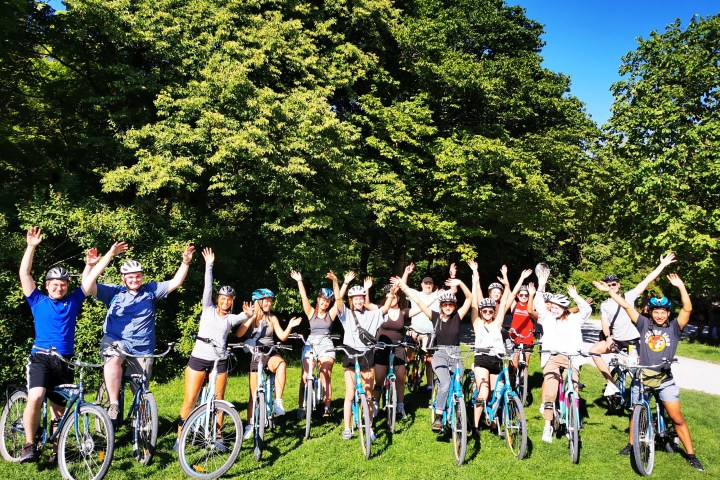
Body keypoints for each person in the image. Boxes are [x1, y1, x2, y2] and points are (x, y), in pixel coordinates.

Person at [18, 227, 127, 462]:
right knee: (36, 396)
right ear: (47, 285)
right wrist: (31, 247)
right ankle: (29, 444)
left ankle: (56, 449)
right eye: (54, 284)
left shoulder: (73, 302)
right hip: (40, 358)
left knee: (61, 411)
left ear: (67, 286)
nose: (59, 287)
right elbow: (24, 274)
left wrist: (109, 254)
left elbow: (92, 277)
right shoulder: (37, 300)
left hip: (65, 360)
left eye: (63, 284)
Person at [593, 273, 704, 472]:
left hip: (664, 379)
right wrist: (609, 291)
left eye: (663, 311)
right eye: (656, 311)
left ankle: (691, 455)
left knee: (677, 418)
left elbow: (688, 308)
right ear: (650, 313)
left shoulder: (674, 328)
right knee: (636, 411)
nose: (660, 315)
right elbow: (627, 305)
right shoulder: (643, 325)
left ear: (668, 313)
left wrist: (681, 287)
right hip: (642, 377)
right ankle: (632, 444)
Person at [91, 243, 195, 424]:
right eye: (130, 277)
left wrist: (185, 263)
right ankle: (114, 404)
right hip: (117, 340)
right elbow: (88, 285)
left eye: (138, 276)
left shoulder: (150, 291)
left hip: (143, 346)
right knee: (113, 358)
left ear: (142, 277)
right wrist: (93, 264)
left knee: (140, 388)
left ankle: (144, 426)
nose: (134, 280)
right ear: (123, 278)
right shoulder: (113, 292)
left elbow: (175, 282)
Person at [175, 248, 253, 450]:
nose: (225, 301)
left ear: (232, 302)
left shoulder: (230, 318)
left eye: (229, 299)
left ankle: (218, 437)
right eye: (222, 298)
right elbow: (207, 287)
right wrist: (209, 265)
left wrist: (250, 314)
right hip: (199, 358)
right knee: (190, 399)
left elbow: (242, 318)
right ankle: (180, 438)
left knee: (219, 401)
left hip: (220, 361)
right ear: (217, 299)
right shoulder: (207, 309)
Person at [589, 253, 676, 396]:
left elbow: (647, 280)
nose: (612, 286)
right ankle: (611, 384)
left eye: (614, 284)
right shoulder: (604, 305)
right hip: (617, 340)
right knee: (593, 351)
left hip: (634, 341)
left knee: (637, 371)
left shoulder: (629, 296)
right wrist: (608, 338)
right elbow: (605, 323)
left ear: (619, 284)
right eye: (609, 285)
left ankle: (641, 397)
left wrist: (662, 265)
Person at [395, 273, 472, 432]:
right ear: (441, 306)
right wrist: (403, 286)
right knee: (445, 382)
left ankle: (459, 412)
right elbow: (419, 302)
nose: (448, 307)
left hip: (456, 353)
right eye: (445, 305)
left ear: (454, 306)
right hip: (440, 353)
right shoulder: (435, 317)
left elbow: (470, 298)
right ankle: (438, 415)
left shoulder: (458, 317)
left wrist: (460, 282)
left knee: (459, 383)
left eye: (451, 305)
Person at [333, 271, 392, 441]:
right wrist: (338, 282)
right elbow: (338, 300)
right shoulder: (346, 315)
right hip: (350, 355)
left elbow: (386, 308)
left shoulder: (372, 315)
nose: (358, 301)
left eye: (361, 298)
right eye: (355, 298)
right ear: (351, 301)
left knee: (368, 394)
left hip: (367, 355)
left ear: (364, 299)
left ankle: (370, 426)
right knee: (350, 394)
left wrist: (392, 294)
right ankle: (346, 427)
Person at [535, 267, 591, 443]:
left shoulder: (574, 319)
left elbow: (587, 310)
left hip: (572, 358)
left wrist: (575, 296)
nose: (555, 309)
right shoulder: (547, 318)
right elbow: (538, 304)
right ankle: (548, 426)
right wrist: (541, 285)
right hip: (552, 357)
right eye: (554, 306)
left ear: (565, 308)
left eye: (559, 307)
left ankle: (571, 424)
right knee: (550, 392)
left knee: (573, 389)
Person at [238, 288, 302, 439]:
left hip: (270, 352)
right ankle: (250, 424)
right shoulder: (251, 317)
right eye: (266, 300)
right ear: (259, 302)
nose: (269, 303)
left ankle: (278, 402)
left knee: (281, 364)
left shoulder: (272, 318)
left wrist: (290, 326)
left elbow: (282, 336)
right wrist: (250, 316)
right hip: (256, 354)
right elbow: (239, 333)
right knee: (253, 394)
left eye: (270, 301)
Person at [291, 269, 344, 418]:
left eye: (327, 301)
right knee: (305, 376)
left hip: (326, 344)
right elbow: (304, 298)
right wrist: (299, 281)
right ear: (318, 299)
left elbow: (339, 298)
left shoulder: (331, 314)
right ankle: (302, 407)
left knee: (325, 374)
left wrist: (335, 281)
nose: (324, 302)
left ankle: (327, 407)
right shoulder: (311, 312)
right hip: (311, 344)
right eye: (322, 299)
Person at [402, 262, 457, 390]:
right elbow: (403, 287)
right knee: (407, 357)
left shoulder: (438, 295)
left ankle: (430, 385)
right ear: (422, 285)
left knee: (429, 360)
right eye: (426, 283)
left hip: (429, 333)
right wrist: (406, 273)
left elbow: (453, 290)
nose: (428, 285)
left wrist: (452, 276)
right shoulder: (416, 294)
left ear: (433, 286)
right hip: (414, 330)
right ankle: (403, 381)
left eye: (430, 284)